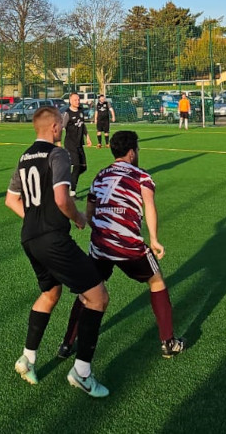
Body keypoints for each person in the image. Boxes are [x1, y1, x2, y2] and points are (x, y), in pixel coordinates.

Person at [6, 107, 111, 397]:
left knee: (50, 293)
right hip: (53, 239)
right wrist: (78, 218)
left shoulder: (24, 157)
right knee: (98, 297)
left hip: (29, 238)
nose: (63, 129)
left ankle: (27, 359)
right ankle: (82, 373)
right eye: (61, 126)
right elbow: (62, 198)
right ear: (54, 127)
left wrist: (34, 223)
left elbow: (10, 200)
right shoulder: (59, 154)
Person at [57, 130, 187, 359]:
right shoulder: (142, 176)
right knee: (156, 282)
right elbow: (149, 206)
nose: (137, 152)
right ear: (131, 152)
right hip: (129, 245)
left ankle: (67, 344)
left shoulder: (100, 175)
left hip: (100, 245)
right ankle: (168, 343)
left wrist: (99, 231)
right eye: (137, 148)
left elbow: (90, 210)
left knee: (88, 293)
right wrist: (154, 239)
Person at [63, 93, 92, 198]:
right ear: (70, 101)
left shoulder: (80, 111)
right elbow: (62, 127)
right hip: (70, 144)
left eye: (78, 99)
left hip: (79, 143)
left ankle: (68, 182)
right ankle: (72, 193)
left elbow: (83, 125)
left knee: (83, 167)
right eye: (75, 100)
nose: (78, 101)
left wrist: (87, 136)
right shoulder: (67, 114)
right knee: (76, 166)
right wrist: (57, 142)